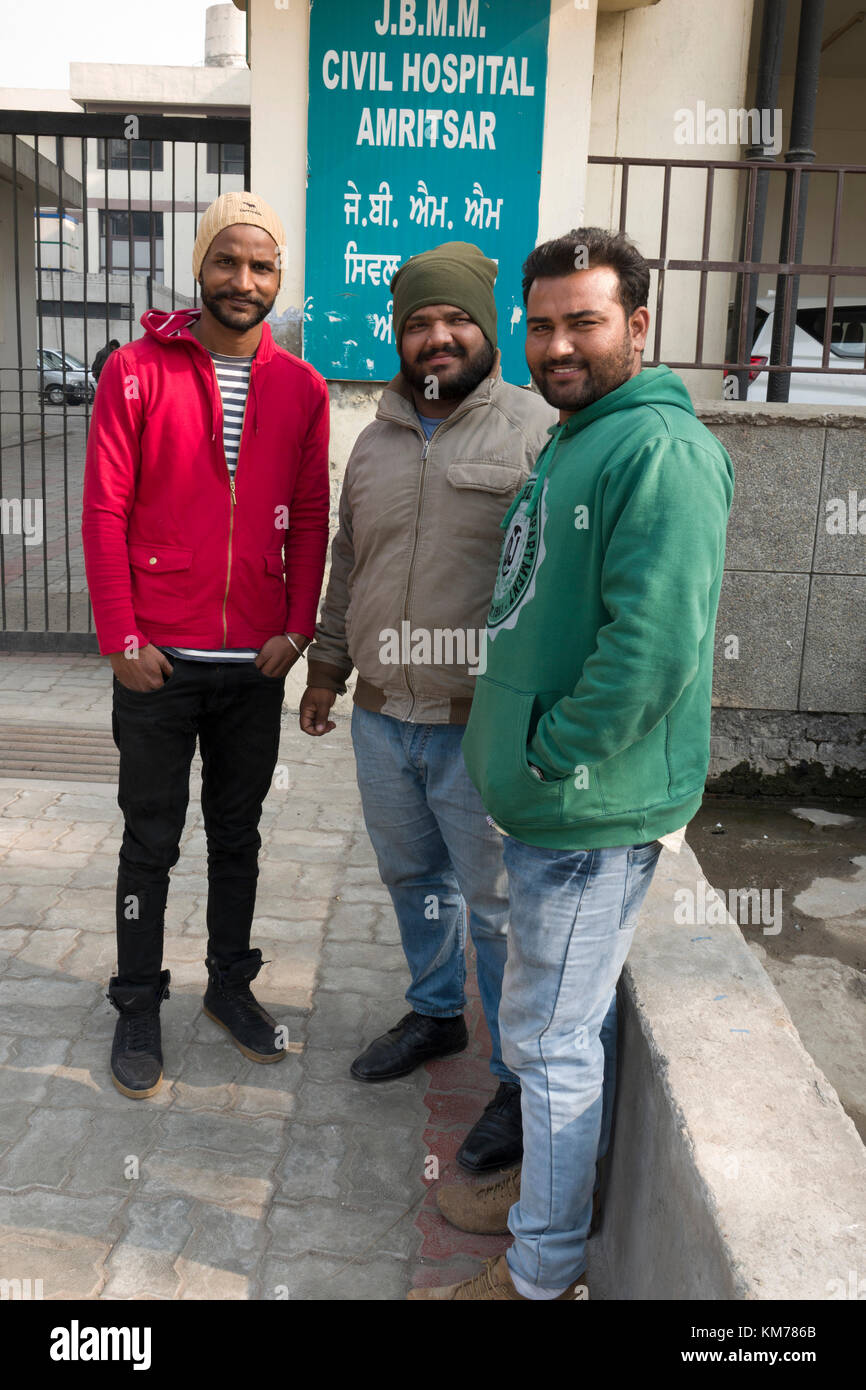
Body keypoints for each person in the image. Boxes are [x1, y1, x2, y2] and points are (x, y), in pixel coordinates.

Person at [413, 227, 734, 1299]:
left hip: (588, 814)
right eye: (541, 324)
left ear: (637, 325)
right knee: (548, 1028)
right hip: (550, 807)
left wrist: (547, 760)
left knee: (551, 1047)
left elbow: (651, 651)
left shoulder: (662, 452)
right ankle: (540, 1197)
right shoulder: (577, 434)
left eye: (583, 323)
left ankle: (540, 1272)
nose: (556, 345)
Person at [300, 241, 556, 1173]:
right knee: (414, 881)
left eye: (454, 320)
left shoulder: (537, 432)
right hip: (381, 719)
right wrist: (327, 667)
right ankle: (437, 1013)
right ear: (398, 337)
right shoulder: (373, 439)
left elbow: (557, 583)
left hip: (477, 726)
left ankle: (520, 1080)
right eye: (418, 323)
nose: (436, 338)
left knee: (498, 909)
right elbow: (349, 562)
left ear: (490, 330)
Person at [82, 191, 330, 1099]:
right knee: (149, 839)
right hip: (157, 661)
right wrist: (120, 634)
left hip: (252, 665)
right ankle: (137, 999)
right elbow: (103, 509)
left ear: (278, 278)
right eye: (227, 260)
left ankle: (229, 986)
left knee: (238, 834)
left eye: (262, 265)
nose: (244, 280)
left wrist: (297, 627)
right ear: (199, 266)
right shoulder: (135, 371)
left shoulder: (301, 388)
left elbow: (311, 516)